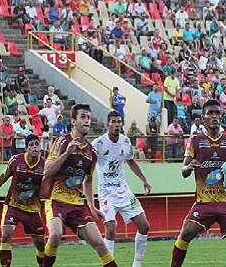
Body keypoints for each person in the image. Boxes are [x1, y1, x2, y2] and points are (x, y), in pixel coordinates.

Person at [41, 104, 118, 267]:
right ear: (73, 121)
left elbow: (88, 180)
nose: (87, 121)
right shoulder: (62, 141)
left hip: (77, 205)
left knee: (100, 243)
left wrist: (91, 206)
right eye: (83, 117)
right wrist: (67, 153)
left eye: (89, 117)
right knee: (55, 235)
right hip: (56, 200)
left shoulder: (91, 152)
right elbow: (47, 171)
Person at [171, 99, 226, 266]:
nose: (214, 116)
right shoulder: (195, 141)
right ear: (203, 119)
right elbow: (183, 171)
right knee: (186, 232)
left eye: (217, 112)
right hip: (204, 202)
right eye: (210, 113)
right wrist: (189, 166)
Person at [92, 111, 151, 267]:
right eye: (114, 121)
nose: (117, 124)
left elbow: (131, 163)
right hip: (106, 193)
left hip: (123, 191)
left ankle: (136, 265)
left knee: (144, 226)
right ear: (108, 125)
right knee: (111, 228)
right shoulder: (98, 143)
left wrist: (144, 180)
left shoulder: (125, 142)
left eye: (119, 122)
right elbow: (89, 164)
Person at [0, 135, 46, 267]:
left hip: (32, 210)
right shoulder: (16, 160)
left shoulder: (45, 165)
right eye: (32, 144)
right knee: (6, 235)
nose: (35, 147)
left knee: (40, 244)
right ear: (26, 148)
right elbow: (3, 177)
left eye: (37, 144)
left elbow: (49, 184)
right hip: (13, 206)